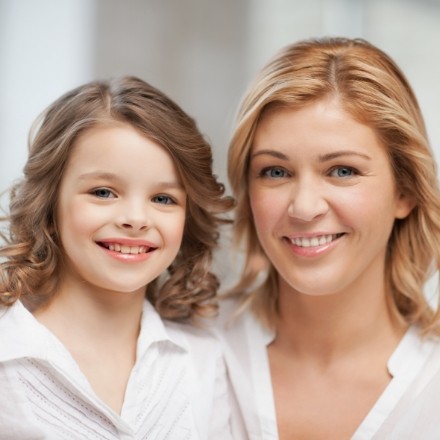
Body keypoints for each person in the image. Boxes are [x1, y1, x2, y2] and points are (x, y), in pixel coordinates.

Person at [217, 37, 440, 439]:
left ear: (404, 191)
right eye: (275, 172)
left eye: (342, 171)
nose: (303, 208)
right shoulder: (190, 351)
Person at [0, 76, 236, 439]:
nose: (136, 219)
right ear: (50, 202)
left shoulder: (206, 362)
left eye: (163, 199)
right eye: (104, 192)